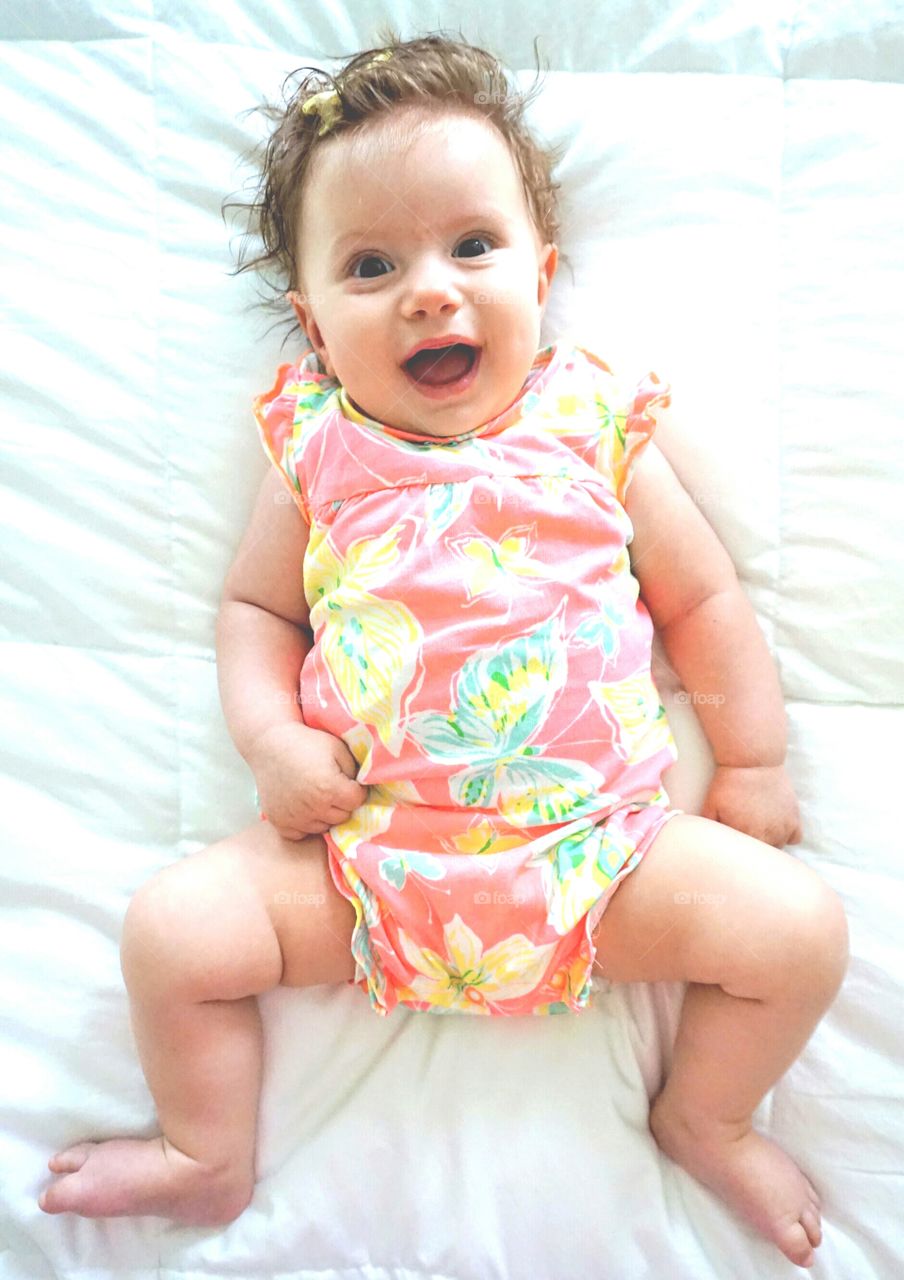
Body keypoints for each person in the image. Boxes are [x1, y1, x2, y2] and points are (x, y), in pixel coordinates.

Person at [39, 31, 848, 1269]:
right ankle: (209, 1152)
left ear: (543, 270)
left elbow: (703, 598)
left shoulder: (589, 418)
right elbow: (257, 615)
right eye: (372, 265)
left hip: (596, 856)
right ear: (312, 323)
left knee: (798, 935)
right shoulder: (315, 446)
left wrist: (750, 760)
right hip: (363, 861)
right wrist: (271, 740)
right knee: (172, 935)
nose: (430, 288)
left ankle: (705, 1112)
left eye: (472, 246)